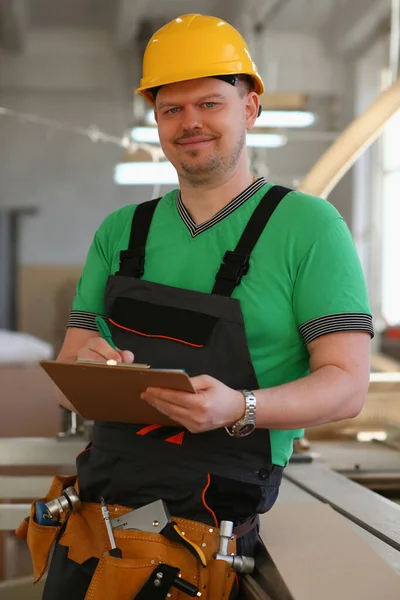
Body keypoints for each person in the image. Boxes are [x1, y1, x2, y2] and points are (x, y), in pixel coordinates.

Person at [39, 13, 373, 600]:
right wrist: (89, 368)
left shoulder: (308, 227)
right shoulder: (122, 230)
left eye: (210, 103)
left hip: (211, 522)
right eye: (172, 109)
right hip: (100, 510)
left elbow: (346, 386)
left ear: (249, 109)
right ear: (157, 120)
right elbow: (68, 379)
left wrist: (238, 407)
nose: (190, 122)